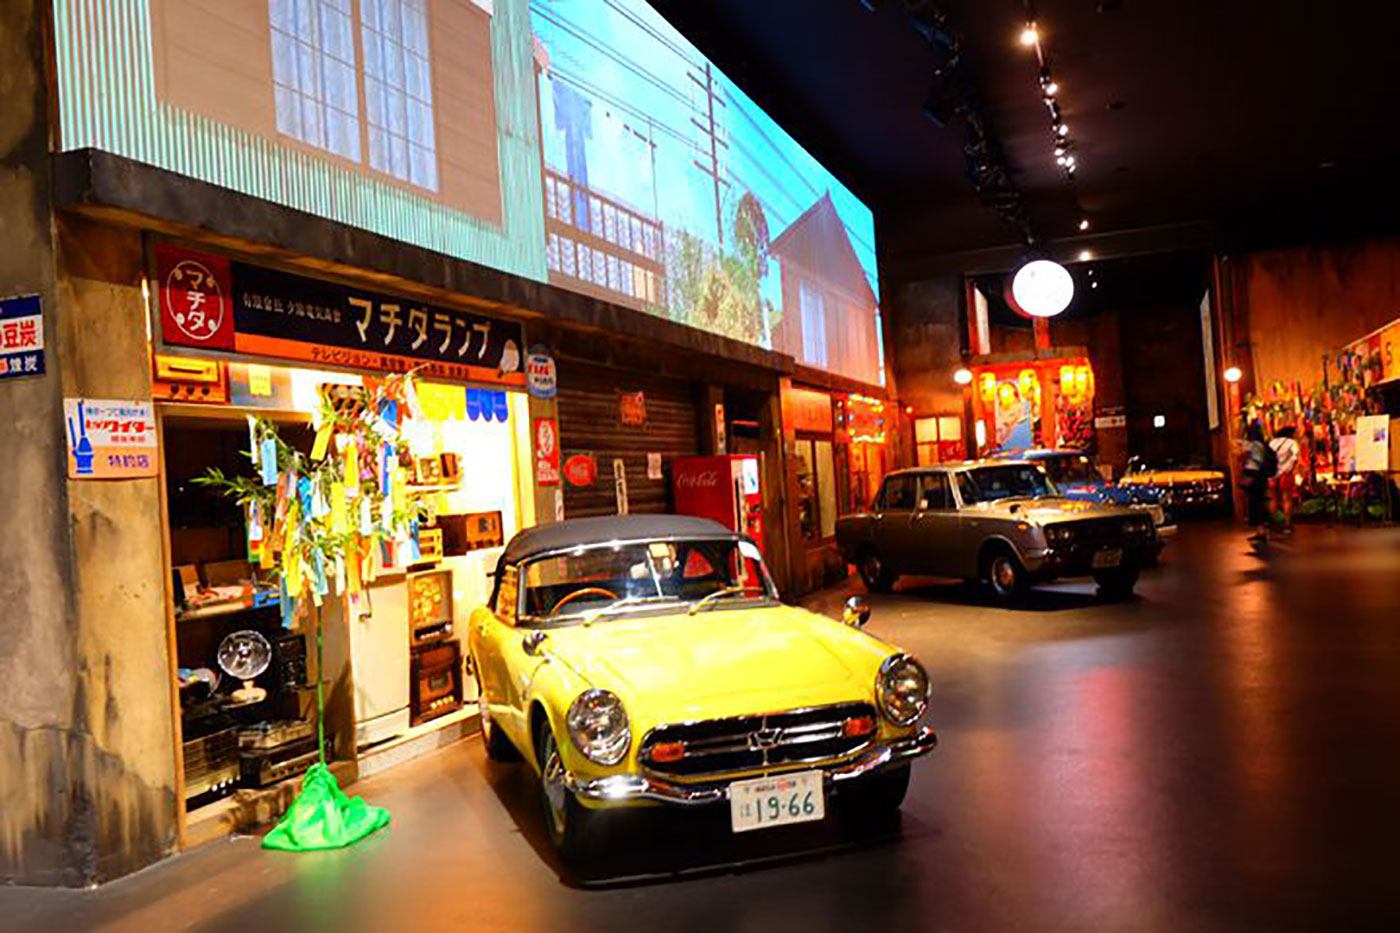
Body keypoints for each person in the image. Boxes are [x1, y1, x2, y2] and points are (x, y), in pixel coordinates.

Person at [1240, 420, 1274, 541]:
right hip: (1259, 476)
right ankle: (1262, 531)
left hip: (1255, 475)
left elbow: (1257, 460)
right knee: (1258, 502)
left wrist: (1246, 456)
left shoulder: (1255, 445)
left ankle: (1263, 531)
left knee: (1256, 503)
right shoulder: (1260, 444)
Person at [1269, 425, 1301, 534]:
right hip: (1285, 474)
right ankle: (1287, 524)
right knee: (1287, 499)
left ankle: (1275, 524)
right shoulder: (1291, 443)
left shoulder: (1272, 442)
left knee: (1273, 499)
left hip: (1272, 474)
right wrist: (1290, 468)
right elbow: (1295, 457)